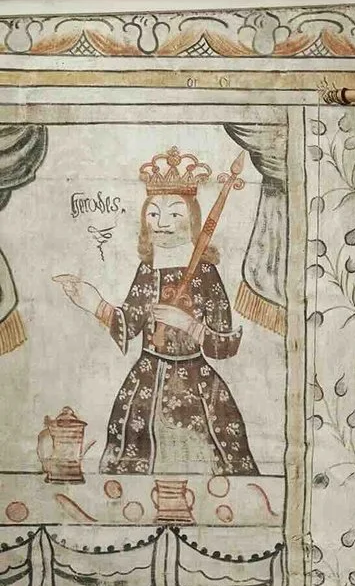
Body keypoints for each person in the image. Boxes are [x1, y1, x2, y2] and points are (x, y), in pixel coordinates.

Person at [54, 147, 259, 478]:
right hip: (146, 381)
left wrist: (190, 326)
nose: (162, 223)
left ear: (192, 220)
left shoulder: (206, 273)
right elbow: (129, 322)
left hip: (198, 383)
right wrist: (92, 301)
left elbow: (225, 344)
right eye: (154, 214)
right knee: (133, 457)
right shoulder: (147, 269)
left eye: (174, 214)